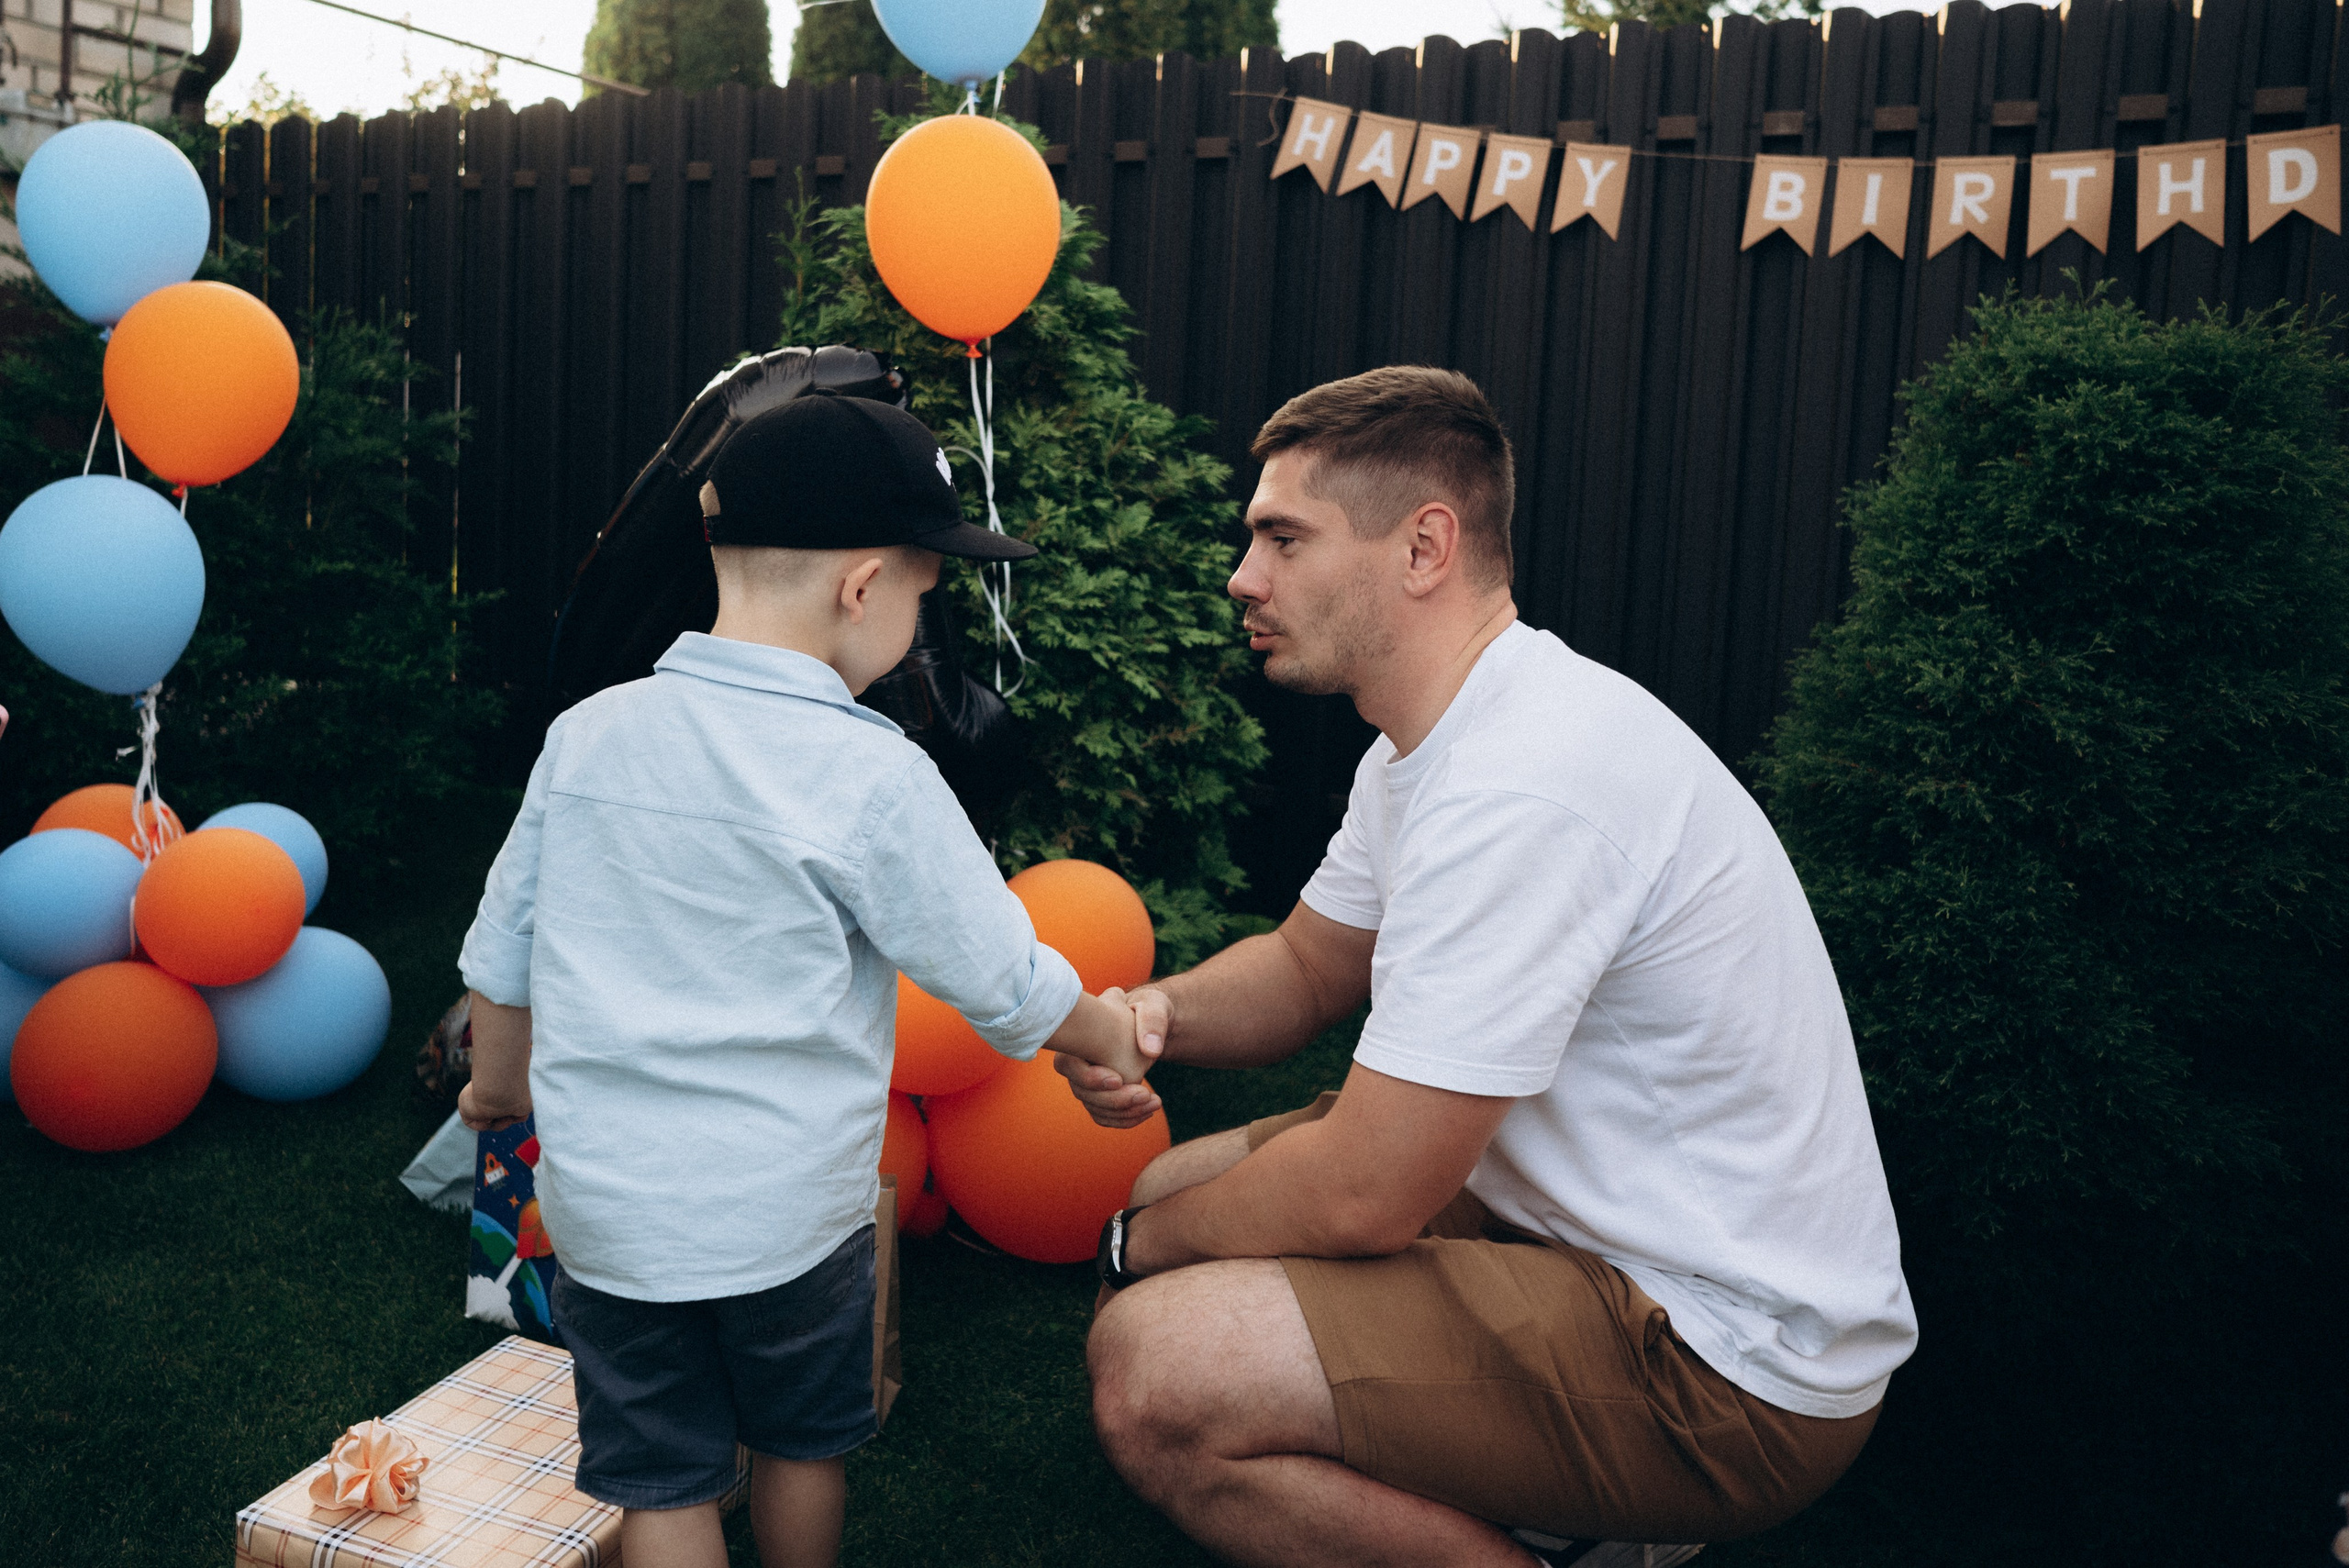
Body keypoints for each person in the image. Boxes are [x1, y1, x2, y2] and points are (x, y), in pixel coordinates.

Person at [1061, 366, 1917, 1568]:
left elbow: (1367, 1194)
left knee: (1157, 1363)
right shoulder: (1436, 739)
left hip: (1729, 1360)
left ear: (1424, 547)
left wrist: (1133, 1255)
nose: (1242, 578)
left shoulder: (1522, 780)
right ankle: (1531, 1490)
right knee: (1163, 1203)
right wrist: (1142, 1014)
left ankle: (1574, 1534)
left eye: (1282, 538)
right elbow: (1308, 969)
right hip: (1584, 1226)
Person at [454, 392, 1150, 1568]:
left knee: (660, 1475)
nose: (922, 620)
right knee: (799, 1444)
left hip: (611, 1213)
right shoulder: (872, 772)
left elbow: (501, 952)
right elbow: (996, 968)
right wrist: (1102, 1034)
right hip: (792, 1217)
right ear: (862, 585)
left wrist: (495, 1092)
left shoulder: (588, 736)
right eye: (929, 592)